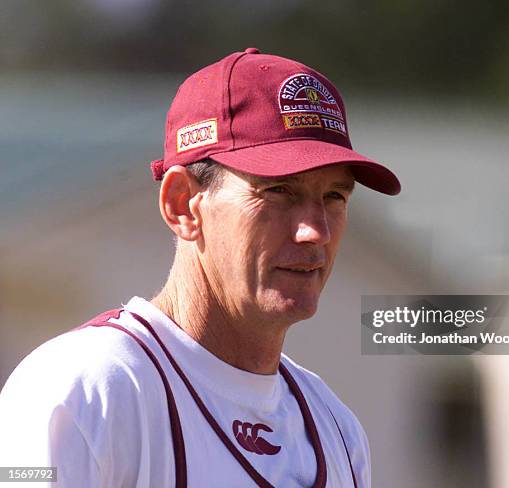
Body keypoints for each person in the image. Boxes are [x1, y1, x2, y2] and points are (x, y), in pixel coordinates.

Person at [0, 48, 400, 487]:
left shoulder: (336, 429)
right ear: (182, 205)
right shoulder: (82, 390)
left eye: (335, 197)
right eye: (280, 190)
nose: (315, 231)